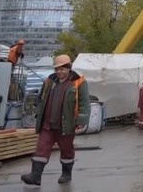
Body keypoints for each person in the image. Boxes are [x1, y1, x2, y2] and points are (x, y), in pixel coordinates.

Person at [20, 54, 89, 186]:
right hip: (47, 124)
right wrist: (38, 113)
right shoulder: (49, 81)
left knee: (66, 150)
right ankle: (35, 176)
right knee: (41, 148)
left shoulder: (79, 82)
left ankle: (66, 174)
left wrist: (81, 120)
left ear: (69, 68)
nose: (59, 72)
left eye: (62, 69)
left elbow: (84, 103)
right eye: (57, 69)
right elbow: (41, 98)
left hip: (66, 124)